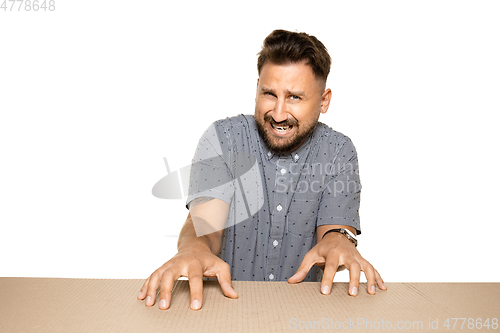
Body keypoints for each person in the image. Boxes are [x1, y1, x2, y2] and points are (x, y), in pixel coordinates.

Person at [138, 29, 387, 311]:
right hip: (222, 311)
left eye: (294, 97)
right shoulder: (224, 139)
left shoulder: (339, 151)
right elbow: (205, 226)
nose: (279, 114)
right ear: (257, 88)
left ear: (323, 100)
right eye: (269, 94)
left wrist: (340, 243)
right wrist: (193, 248)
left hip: (304, 315)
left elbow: (333, 233)